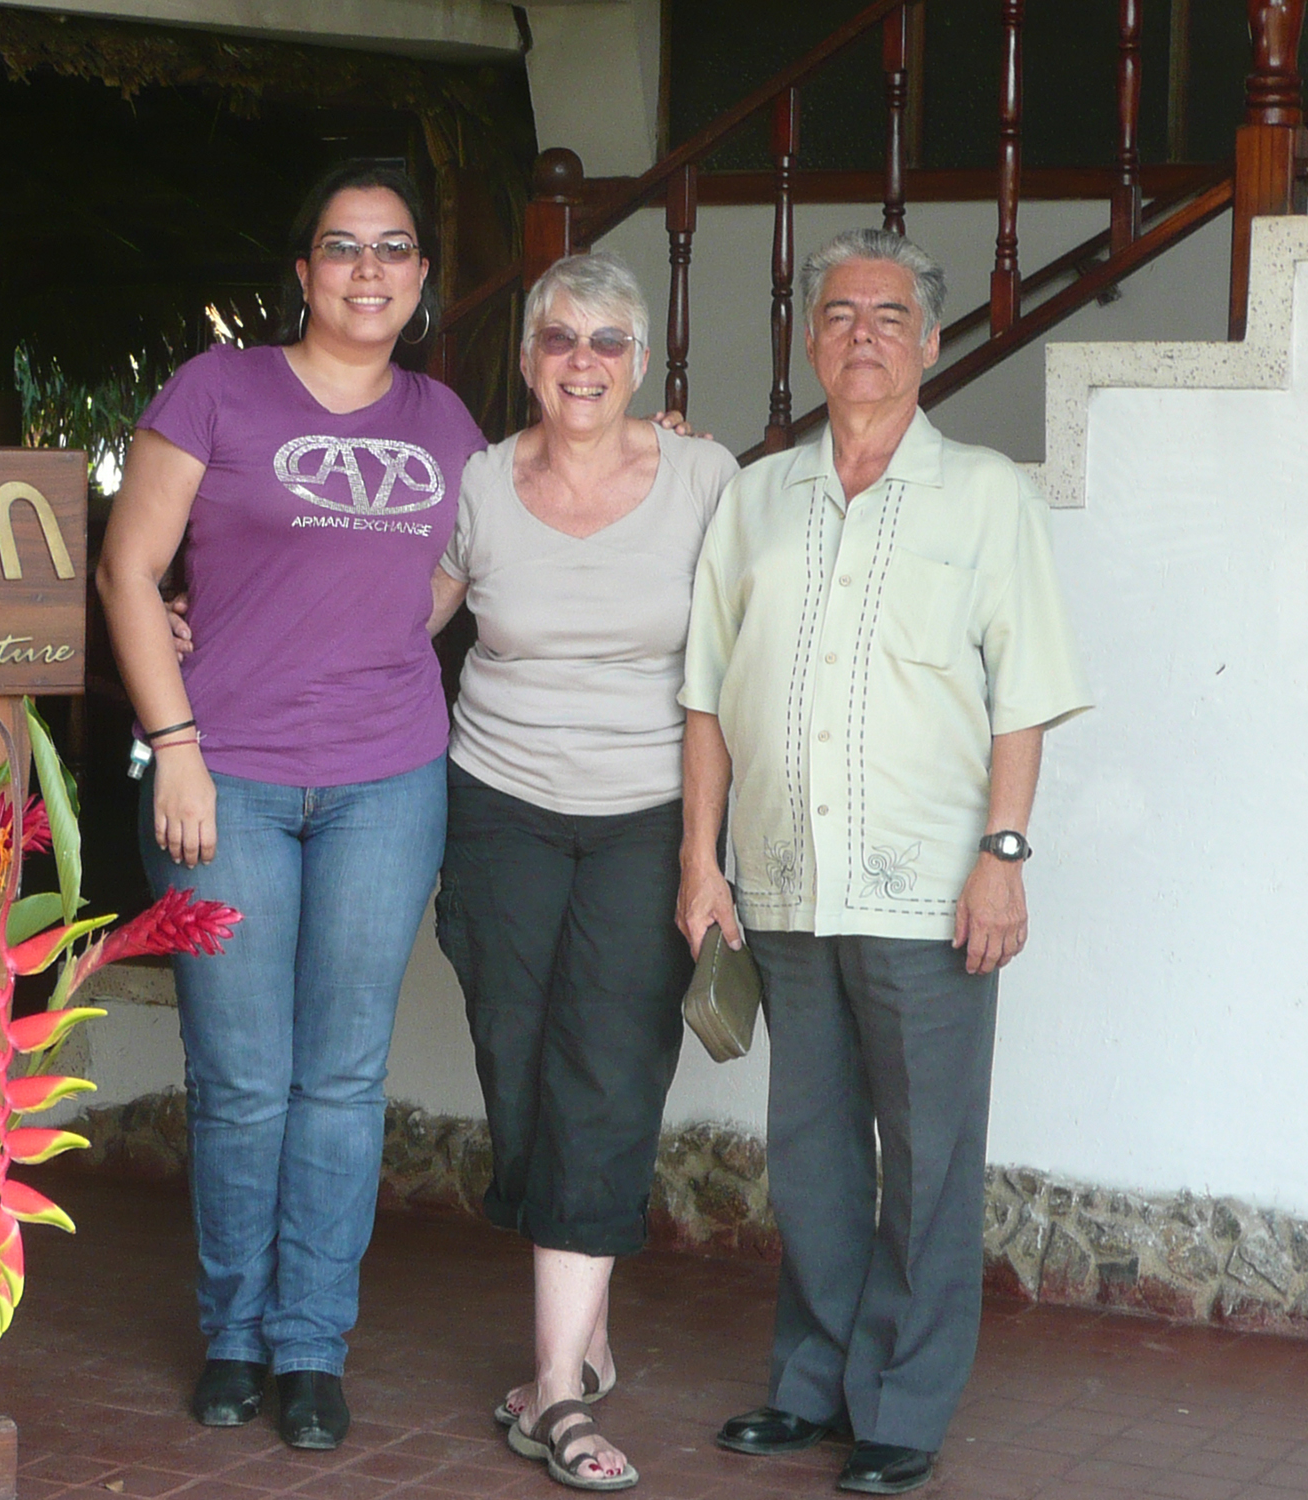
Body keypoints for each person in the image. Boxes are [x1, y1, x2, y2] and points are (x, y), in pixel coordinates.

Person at [675, 228, 1090, 1496]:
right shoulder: (754, 498)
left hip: (926, 886)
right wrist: (701, 862)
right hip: (787, 882)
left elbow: (1022, 694)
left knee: (923, 1157)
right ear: (809, 336)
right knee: (807, 1152)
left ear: (929, 340)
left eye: (890, 315)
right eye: (840, 312)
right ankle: (810, 1386)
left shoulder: (985, 496)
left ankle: (901, 1403)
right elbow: (704, 697)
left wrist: (1002, 856)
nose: (863, 333)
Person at [94, 160, 485, 1452]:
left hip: (387, 780)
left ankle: (313, 1344)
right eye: (341, 248)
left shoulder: (449, 425)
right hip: (229, 778)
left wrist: (381, 630)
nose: (368, 271)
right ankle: (233, 1332)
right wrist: (177, 742)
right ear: (304, 272)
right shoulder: (218, 391)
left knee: (342, 1078)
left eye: (393, 250)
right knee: (244, 1077)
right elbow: (129, 569)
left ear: (421, 279)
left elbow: (456, 573)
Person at [427, 252, 740, 1493]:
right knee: (515, 1049)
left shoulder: (707, 477)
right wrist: (216, 624)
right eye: (559, 338)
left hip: (646, 811)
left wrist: (702, 855)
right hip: (496, 803)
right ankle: (586, 1331)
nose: (582, 361)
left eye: (609, 341)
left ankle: (555, 1388)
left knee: (608, 1064)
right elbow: (402, 620)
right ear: (526, 359)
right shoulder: (478, 484)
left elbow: (723, 675)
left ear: (645, 363)